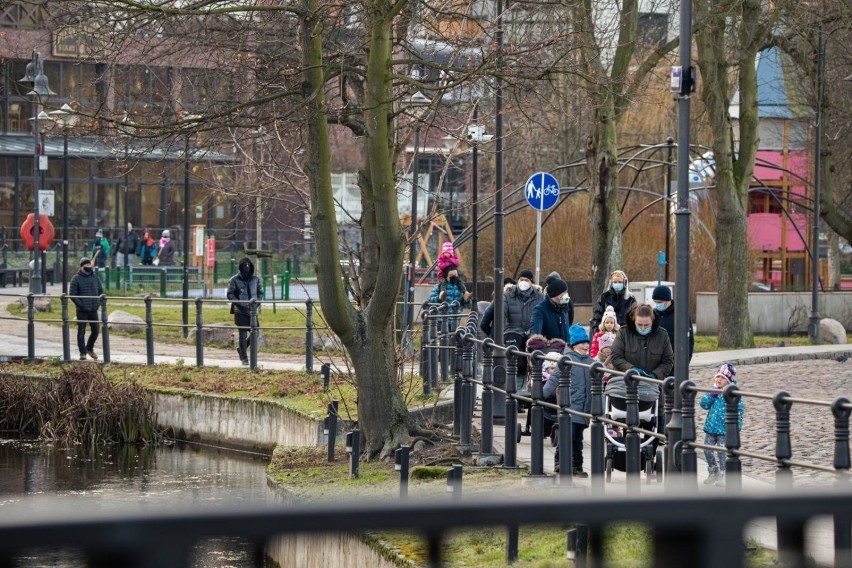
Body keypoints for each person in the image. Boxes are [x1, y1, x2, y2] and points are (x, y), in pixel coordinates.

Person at [544, 324, 593, 477]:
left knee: (578, 438)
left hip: (584, 409)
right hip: (569, 406)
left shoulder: (591, 363)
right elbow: (553, 380)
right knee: (568, 436)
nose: (585, 345)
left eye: (587, 343)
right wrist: (541, 394)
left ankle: (577, 466)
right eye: (581, 343)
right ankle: (561, 462)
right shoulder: (566, 361)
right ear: (573, 345)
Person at [699, 363, 744, 486]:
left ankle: (724, 475)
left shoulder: (733, 393)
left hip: (725, 430)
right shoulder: (714, 391)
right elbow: (703, 404)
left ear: (729, 381)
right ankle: (713, 471)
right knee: (707, 450)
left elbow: (739, 410)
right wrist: (711, 394)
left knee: (722, 453)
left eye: (722, 378)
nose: (719, 379)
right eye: (717, 376)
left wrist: (736, 427)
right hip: (711, 428)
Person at [610, 303, 673, 381]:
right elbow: (616, 357)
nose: (643, 328)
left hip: (653, 383)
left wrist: (655, 375)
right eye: (639, 324)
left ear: (652, 321)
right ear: (634, 320)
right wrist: (632, 369)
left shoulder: (662, 335)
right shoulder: (623, 333)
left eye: (647, 325)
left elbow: (668, 361)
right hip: (626, 381)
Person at [227, 256, 263, 366]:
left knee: (255, 333)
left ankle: (241, 349)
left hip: (252, 310)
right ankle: (244, 358)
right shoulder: (234, 280)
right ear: (241, 267)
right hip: (240, 311)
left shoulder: (256, 280)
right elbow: (230, 294)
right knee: (242, 335)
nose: (246, 267)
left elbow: (260, 293)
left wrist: (257, 303)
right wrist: (239, 303)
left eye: (248, 265)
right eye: (244, 265)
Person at [69, 257, 104, 361]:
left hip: (93, 308)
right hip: (82, 310)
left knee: (96, 330)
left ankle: (89, 348)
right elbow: (72, 294)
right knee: (81, 331)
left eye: (90, 265)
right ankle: (82, 352)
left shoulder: (95, 277)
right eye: (86, 265)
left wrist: (98, 302)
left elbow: (100, 290)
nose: (89, 267)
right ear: (81, 267)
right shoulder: (76, 278)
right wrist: (81, 305)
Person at [651, 284, 695, 363]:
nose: (657, 304)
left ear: (668, 300)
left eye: (660, 302)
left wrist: (685, 361)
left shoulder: (681, 315)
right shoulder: (653, 314)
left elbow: (689, 340)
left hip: (675, 361)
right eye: (655, 302)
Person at [530, 278, 573, 343]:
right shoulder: (539, 310)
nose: (567, 294)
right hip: (549, 351)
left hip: (565, 351)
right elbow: (535, 337)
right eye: (565, 292)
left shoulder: (565, 308)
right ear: (558, 294)